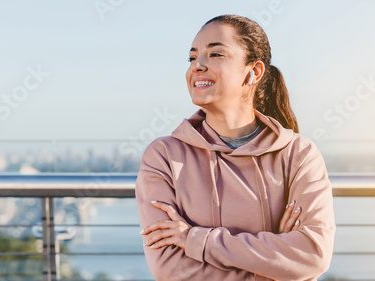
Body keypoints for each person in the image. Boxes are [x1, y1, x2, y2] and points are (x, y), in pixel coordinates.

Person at [135, 14, 336, 281]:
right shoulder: (164, 157)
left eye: (215, 54)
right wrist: (274, 267)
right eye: (192, 57)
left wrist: (195, 240)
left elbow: (312, 255)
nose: (197, 65)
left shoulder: (298, 154)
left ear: (254, 72)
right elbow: (170, 269)